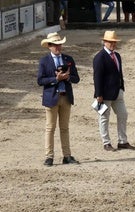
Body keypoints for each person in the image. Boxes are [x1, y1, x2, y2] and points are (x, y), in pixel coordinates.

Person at [37, 32, 80, 166]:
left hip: (65, 97)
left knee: (64, 128)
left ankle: (66, 155)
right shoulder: (44, 61)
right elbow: (40, 80)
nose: (58, 47)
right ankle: (49, 156)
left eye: (59, 45)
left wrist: (67, 77)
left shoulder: (68, 59)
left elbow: (76, 78)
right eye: (55, 45)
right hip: (52, 97)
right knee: (50, 128)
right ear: (49, 46)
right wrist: (55, 79)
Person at [93, 31, 135, 152]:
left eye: (114, 42)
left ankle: (122, 141)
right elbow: (97, 77)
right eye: (110, 42)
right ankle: (106, 142)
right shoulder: (99, 57)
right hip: (105, 94)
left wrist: (121, 87)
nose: (113, 44)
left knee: (123, 114)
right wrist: (99, 94)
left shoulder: (117, 55)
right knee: (104, 118)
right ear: (104, 42)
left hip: (118, 92)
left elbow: (119, 73)